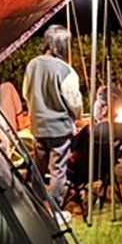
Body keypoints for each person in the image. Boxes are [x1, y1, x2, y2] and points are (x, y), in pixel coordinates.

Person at [22, 24, 82, 216]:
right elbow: (73, 101)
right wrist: (78, 115)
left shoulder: (33, 65)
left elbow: (26, 92)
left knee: (38, 169)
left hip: (39, 127)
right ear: (64, 46)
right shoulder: (66, 71)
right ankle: (55, 211)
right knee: (58, 171)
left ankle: (36, 207)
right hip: (60, 129)